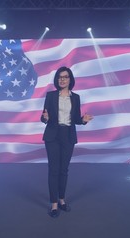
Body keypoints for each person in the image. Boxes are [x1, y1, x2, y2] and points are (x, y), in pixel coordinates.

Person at [40, 66, 93, 218]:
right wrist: (45, 118)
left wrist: (83, 120)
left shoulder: (75, 97)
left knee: (64, 170)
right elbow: (43, 116)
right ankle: (54, 204)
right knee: (54, 170)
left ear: (70, 80)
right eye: (60, 77)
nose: (62, 79)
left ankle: (62, 200)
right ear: (57, 80)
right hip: (52, 136)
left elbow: (76, 119)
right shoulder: (50, 96)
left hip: (68, 136)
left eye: (65, 77)